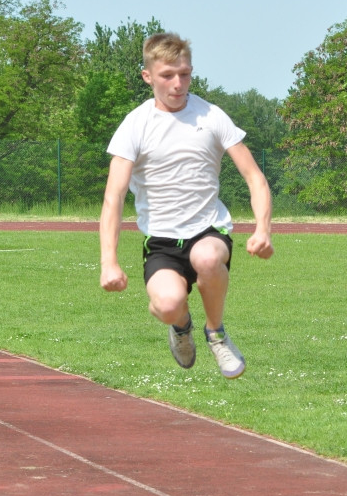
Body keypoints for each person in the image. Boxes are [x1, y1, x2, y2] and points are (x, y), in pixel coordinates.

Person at [99, 32, 273, 379]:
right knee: (166, 305)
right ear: (148, 76)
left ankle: (216, 333)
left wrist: (263, 229)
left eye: (185, 74)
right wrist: (109, 262)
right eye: (167, 75)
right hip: (162, 241)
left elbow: (255, 177)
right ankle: (180, 327)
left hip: (208, 230)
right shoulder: (135, 125)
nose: (178, 84)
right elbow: (113, 197)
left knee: (206, 258)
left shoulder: (211, 116)